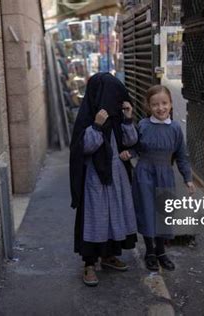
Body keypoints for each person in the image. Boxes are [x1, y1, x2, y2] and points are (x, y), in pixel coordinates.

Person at [69, 73, 138, 286]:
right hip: (94, 178)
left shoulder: (118, 118)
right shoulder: (87, 118)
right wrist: (97, 126)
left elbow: (131, 141)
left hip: (116, 176)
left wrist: (127, 119)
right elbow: (85, 148)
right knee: (94, 219)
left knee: (114, 216)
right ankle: (89, 264)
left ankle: (109, 256)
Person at [120, 85, 196, 271]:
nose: (160, 108)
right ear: (148, 106)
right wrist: (129, 153)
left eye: (164, 103)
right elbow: (137, 147)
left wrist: (188, 178)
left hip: (165, 175)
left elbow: (181, 155)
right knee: (147, 212)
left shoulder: (176, 129)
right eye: (155, 104)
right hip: (144, 174)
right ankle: (150, 252)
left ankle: (161, 251)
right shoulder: (144, 125)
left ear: (170, 104)